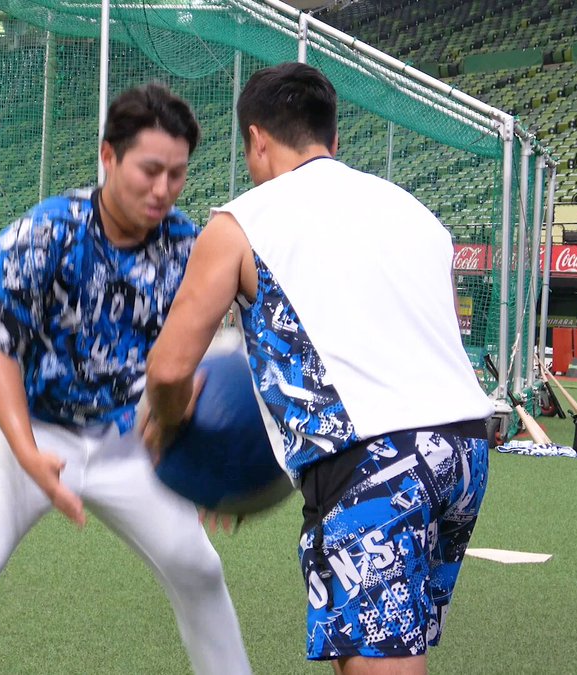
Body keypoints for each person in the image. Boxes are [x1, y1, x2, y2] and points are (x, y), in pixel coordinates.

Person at [0, 84, 251, 674]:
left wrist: (211, 459)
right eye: (149, 170)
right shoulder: (44, 232)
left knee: (199, 570)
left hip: (131, 436)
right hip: (29, 426)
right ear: (109, 157)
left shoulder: (187, 245)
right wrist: (27, 455)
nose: (163, 190)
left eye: (177, 174)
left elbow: (195, 358)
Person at [140, 62, 493, 674]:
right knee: (370, 654)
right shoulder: (414, 214)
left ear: (256, 139)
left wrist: (177, 438)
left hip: (377, 466)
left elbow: (169, 373)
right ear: (334, 141)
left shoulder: (241, 223)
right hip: (464, 454)